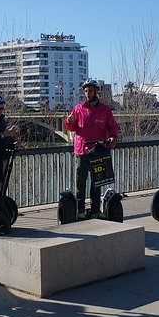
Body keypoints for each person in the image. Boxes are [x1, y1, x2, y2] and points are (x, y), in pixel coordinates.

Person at [64, 79, 120, 218]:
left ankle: (95, 210)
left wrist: (113, 137)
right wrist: (68, 122)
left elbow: (112, 126)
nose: (87, 94)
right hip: (82, 150)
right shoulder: (78, 109)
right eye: (86, 91)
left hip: (98, 150)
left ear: (96, 92)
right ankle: (81, 210)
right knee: (80, 181)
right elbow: (72, 127)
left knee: (97, 182)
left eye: (90, 91)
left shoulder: (105, 110)